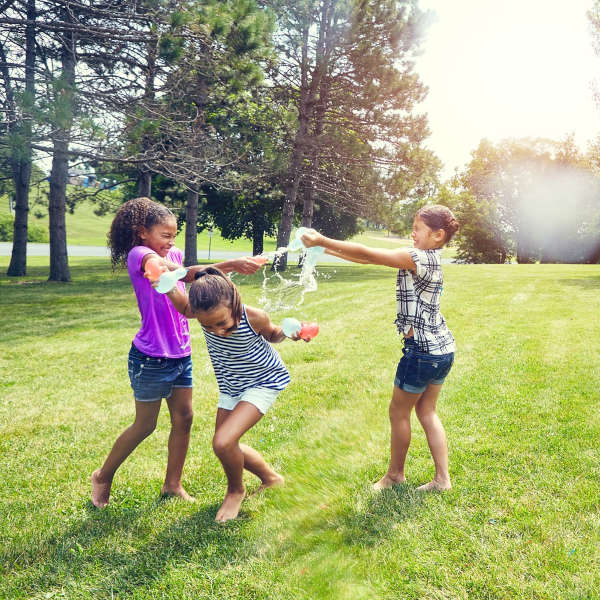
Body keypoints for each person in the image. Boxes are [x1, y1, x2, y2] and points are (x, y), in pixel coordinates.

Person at [91, 196, 262, 508]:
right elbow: (169, 272)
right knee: (145, 425)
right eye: (164, 235)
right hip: (150, 358)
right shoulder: (140, 255)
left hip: (181, 355)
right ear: (143, 232)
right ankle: (103, 475)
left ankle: (173, 485)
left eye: (173, 236)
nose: (170, 242)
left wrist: (230, 266)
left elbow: (188, 273)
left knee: (184, 419)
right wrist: (208, 268)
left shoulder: (173, 254)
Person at [301, 205, 459, 492]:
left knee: (399, 413)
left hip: (421, 351)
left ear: (437, 235)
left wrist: (322, 240)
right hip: (442, 349)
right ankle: (442, 479)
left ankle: (395, 475)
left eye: (418, 228)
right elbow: (366, 259)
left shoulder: (417, 257)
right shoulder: (430, 258)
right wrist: (324, 251)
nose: (412, 232)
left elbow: (367, 253)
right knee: (427, 411)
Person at [165, 267, 300, 522]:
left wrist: (291, 333)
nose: (216, 330)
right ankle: (271, 479)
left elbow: (273, 334)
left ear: (235, 304)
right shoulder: (202, 312)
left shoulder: (254, 317)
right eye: (208, 326)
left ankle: (235, 490)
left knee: (223, 442)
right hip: (231, 385)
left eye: (222, 323)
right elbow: (183, 307)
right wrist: (166, 282)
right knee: (225, 445)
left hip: (263, 381)